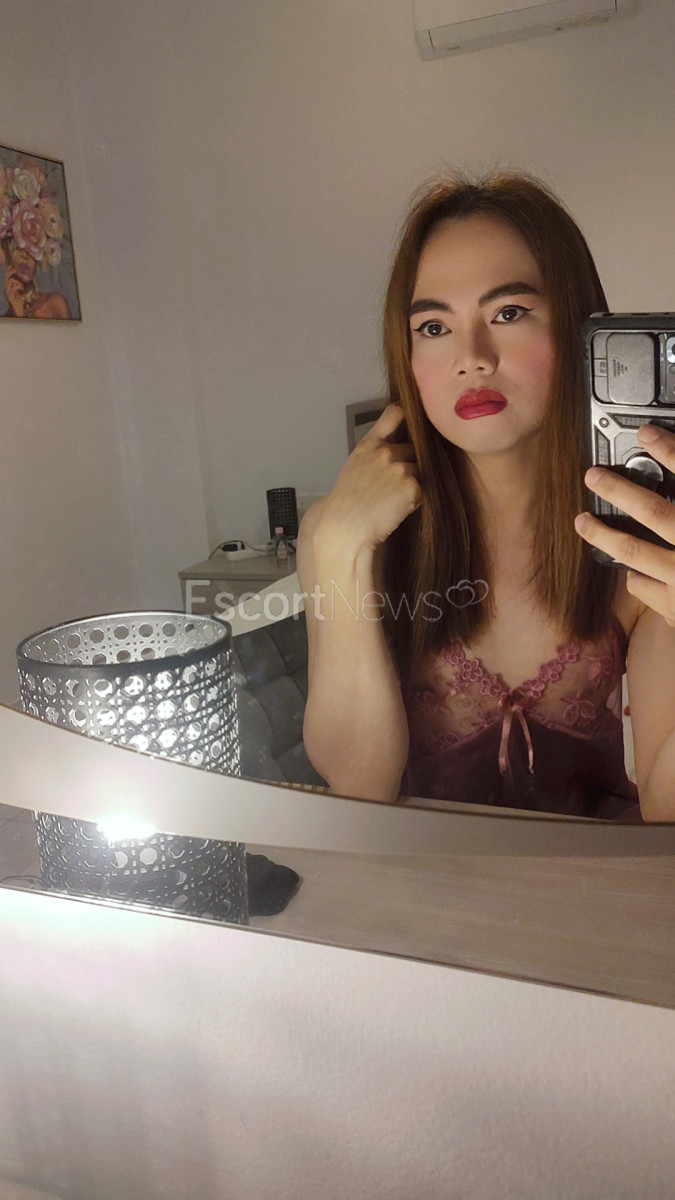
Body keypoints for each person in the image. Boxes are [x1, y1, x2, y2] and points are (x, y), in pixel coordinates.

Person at [297, 170, 675, 823]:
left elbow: (667, 812)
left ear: (580, 332)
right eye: (433, 327)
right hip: (418, 885)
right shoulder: (344, 534)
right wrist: (338, 550)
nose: (471, 358)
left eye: (508, 313)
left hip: (595, 884)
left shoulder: (639, 541)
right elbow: (359, 790)